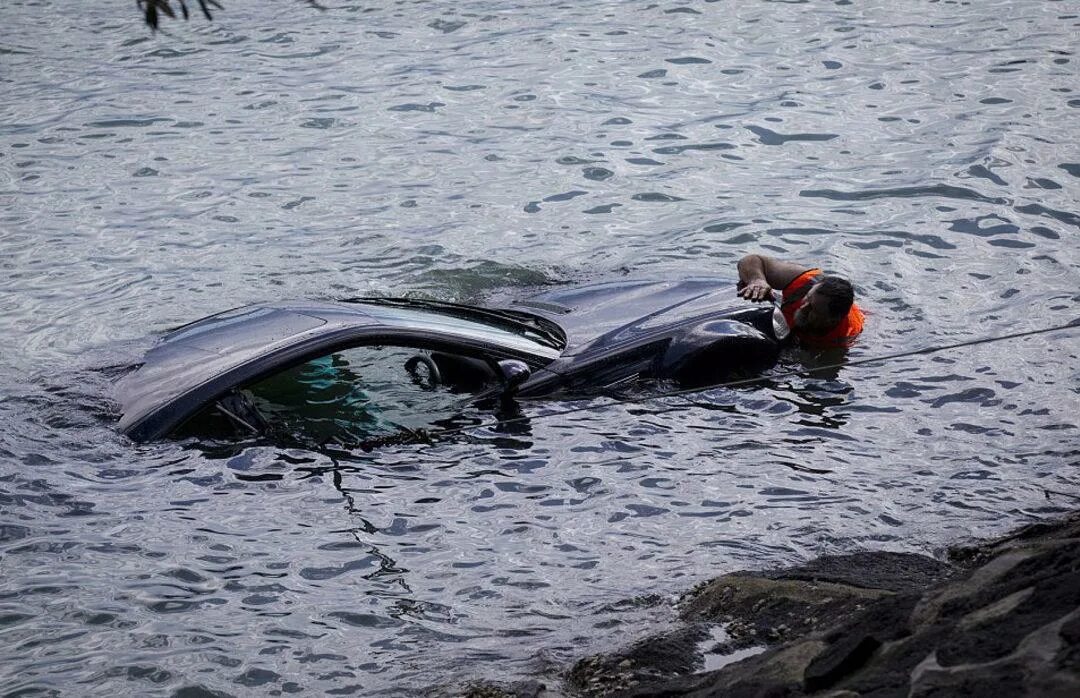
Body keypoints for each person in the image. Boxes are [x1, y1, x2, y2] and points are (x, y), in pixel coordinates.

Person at [736, 253, 864, 347]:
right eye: (807, 298)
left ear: (831, 320)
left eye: (812, 309)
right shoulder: (805, 283)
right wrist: (757, 280)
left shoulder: (842, 338)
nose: (803, 307)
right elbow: (752, 260)